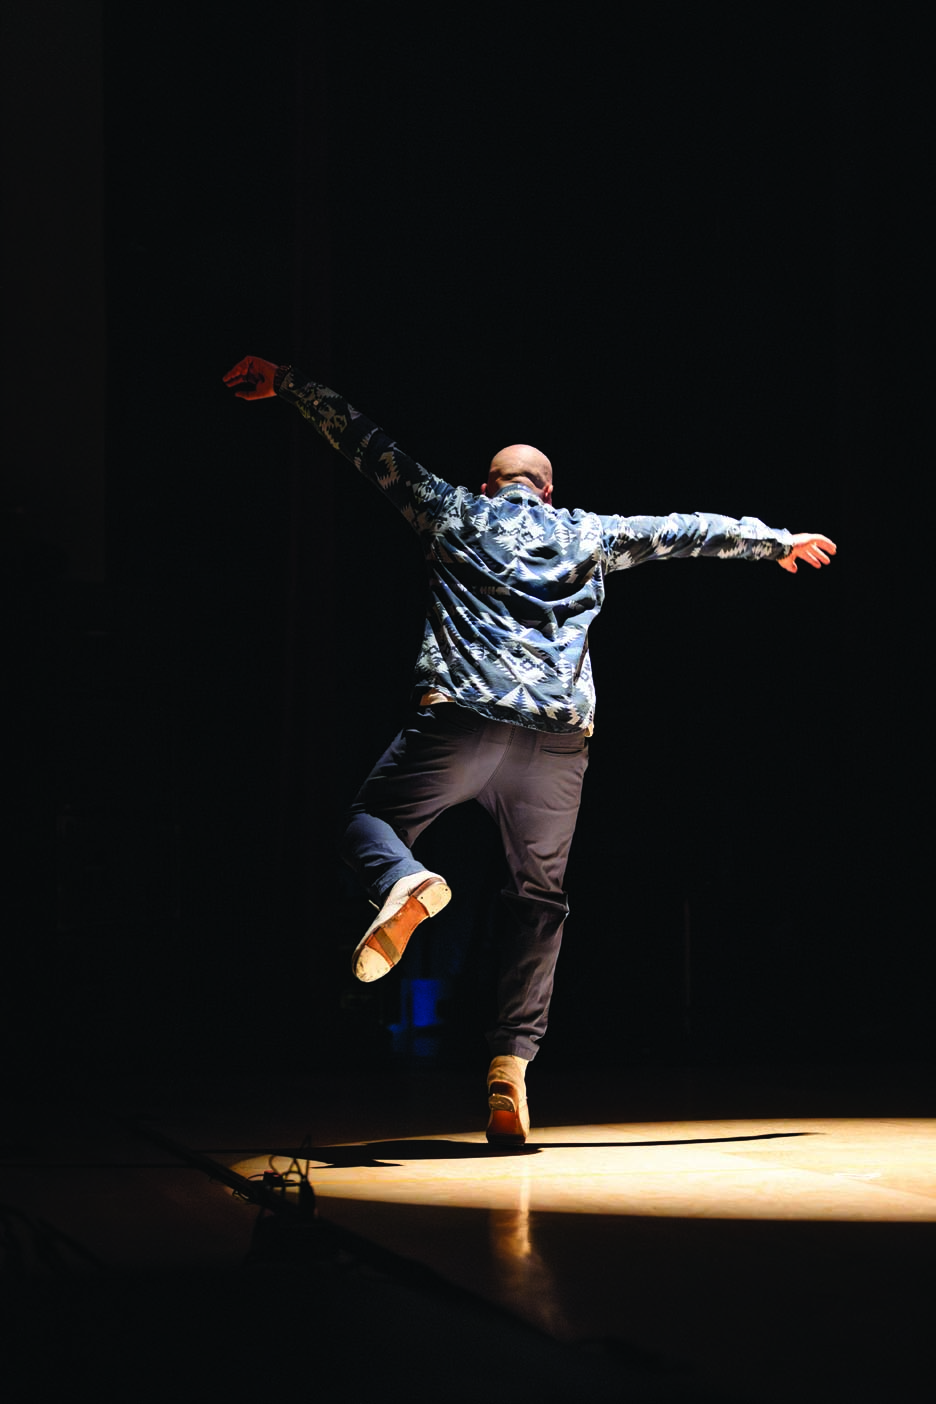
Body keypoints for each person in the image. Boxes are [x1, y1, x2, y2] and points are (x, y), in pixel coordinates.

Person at [223, 354, 836, 1145]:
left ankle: (405, 879)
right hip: (555, 745)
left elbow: (367, 444)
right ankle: (509, 1069)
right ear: (548, 491)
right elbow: (686, 531)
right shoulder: (590, 532)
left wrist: (289, 383)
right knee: (537, 899)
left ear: (489, 486)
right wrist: (773, 541)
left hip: (461, 721)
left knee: (366, 824)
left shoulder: (450, 509)